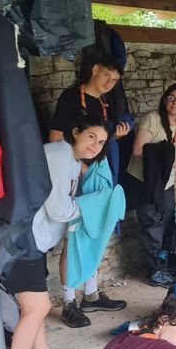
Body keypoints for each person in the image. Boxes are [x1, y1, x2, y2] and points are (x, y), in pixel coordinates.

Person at [0, 115, 110, 349]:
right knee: (38, 307)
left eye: (101, 142)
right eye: (91, 136)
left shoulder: (69, 159)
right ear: (76, 131)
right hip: (20, 239)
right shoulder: (58, 156)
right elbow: (58, 209)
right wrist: (90, 208)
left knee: (33, 307)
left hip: (30, 238)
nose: (96, 145)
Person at [48, 52, 132, 328]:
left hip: (99, 174)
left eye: (115, 80)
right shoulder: (72, 98)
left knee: (96, 232)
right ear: (95, 69)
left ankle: (91, 295)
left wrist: (114, 137)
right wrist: (79, 169)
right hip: (77, 175)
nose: (109, 82)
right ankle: (69, 302)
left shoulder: (103, 104)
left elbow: (99, 142)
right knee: (74, 237)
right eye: (107, 75)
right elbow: (57, 137)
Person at [126, 83, 176, 287]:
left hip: (166, 183)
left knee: (168, 221)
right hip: (145, 182)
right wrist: (166, 157)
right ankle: (155, 271)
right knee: (152, 223)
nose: (175, 102)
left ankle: (162, 264)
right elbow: (138, 150)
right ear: (164, 100)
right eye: (171, 98)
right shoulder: (152, 119)